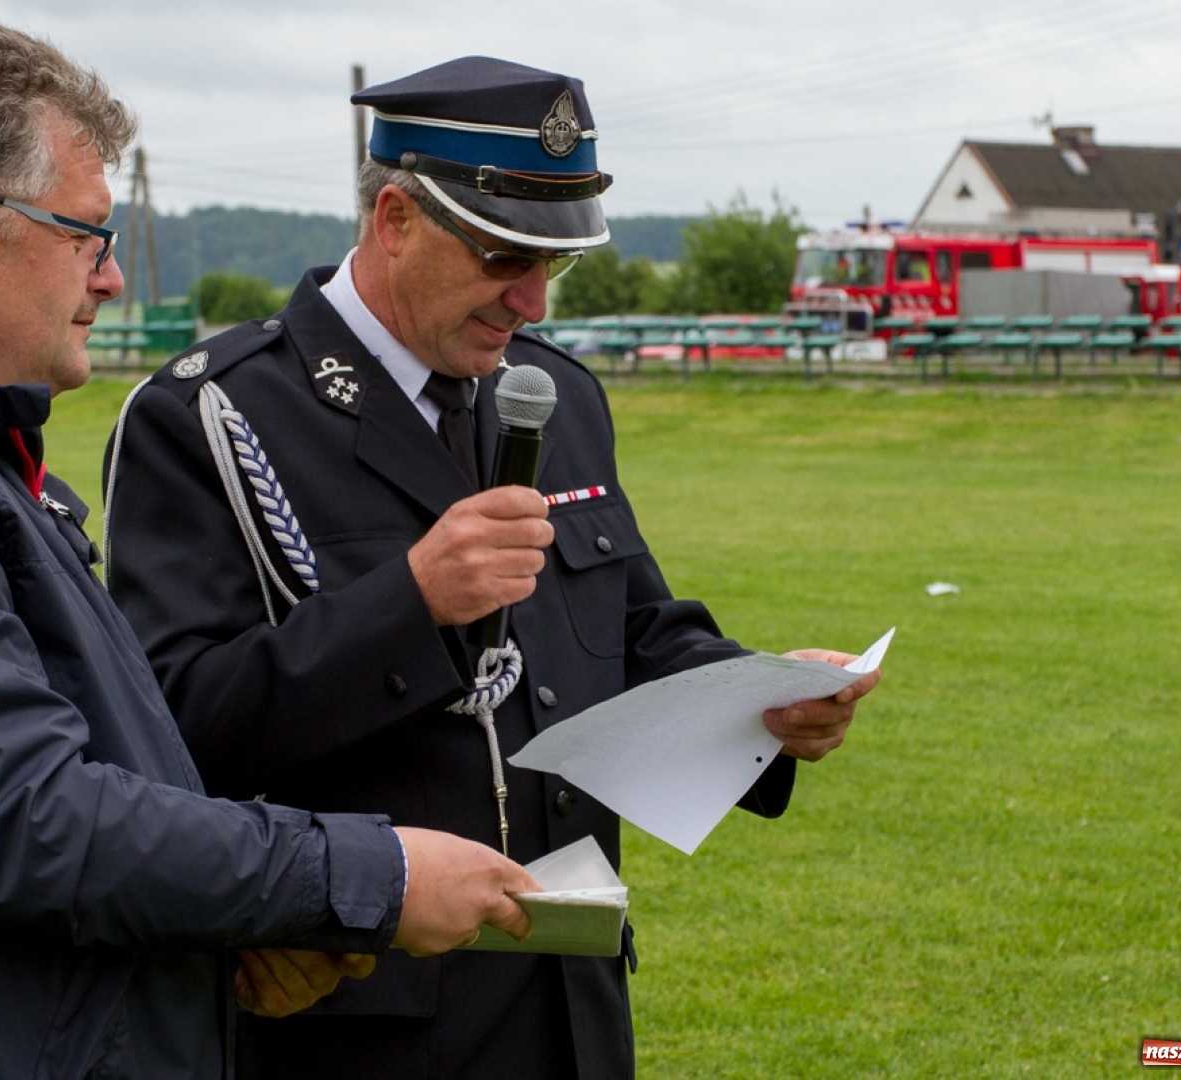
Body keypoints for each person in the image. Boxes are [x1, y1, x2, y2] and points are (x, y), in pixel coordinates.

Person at [0, 25, 541, 1080]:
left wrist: (228, 929)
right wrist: (373, 875)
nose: (111, 275)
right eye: (87, 234)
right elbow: (23, 817)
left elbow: (64, 795)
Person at [103, 57, 881, 1080]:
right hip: (355, 1020)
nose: (532, 300)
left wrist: (765, 702)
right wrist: (410, 601)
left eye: (554, 265)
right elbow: (168, 731)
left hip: (568, 995)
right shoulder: (213, 414)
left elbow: (631, 627)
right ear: (394, 218)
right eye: (503, 256)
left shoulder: (554, 395)